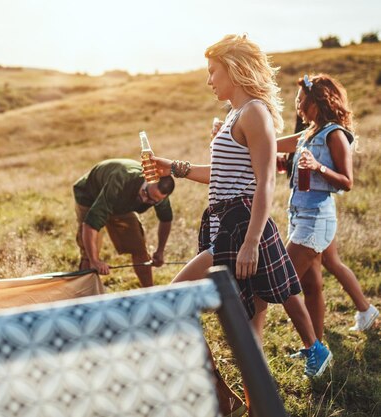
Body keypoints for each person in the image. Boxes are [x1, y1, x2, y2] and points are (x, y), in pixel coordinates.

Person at [148, 33, 332, 415]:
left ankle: (221, 393)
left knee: (171, 300)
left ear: (233, 69)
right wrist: (176, 168)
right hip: (225, 224)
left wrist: (250, 242)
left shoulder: (255, 113)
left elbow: (264, 180)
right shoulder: (236, 115)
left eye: (213, 71)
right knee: (250, 336)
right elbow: (225, 173)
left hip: (242, 228)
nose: (209, 79)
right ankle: (250, 407)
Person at [276, 74, 378, 342]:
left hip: (316, 217)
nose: (297, 106)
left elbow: (347, 181)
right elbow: (269, 145)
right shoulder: (307, 134)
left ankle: (315, 347)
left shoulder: (334, 134)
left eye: (300, 100)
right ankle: (318, 346)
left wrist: (318, 167)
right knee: (312, 283)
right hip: (299, 215)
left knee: (283, 282)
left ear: (315, 100)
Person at [73, 158, 174, 287]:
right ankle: (85, 298)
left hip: (122, 203)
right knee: (90, 253)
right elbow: (90, 224)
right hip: (90, 195)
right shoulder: (120, 180)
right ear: (147, 179)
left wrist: (160, 251)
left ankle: (149, 292)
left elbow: (166, 220)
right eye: (145, 193)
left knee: (139, 247)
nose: (144, 199)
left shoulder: (159, 196)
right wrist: (95, 260)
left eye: (151, 201)